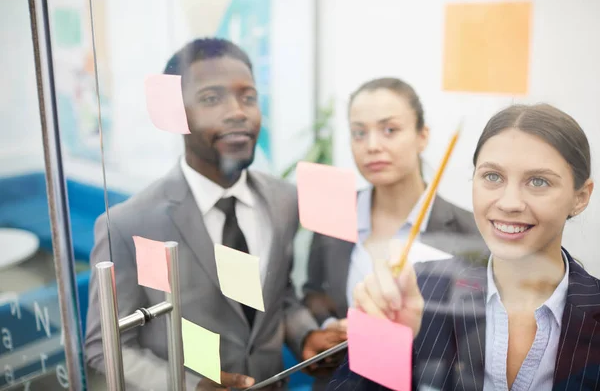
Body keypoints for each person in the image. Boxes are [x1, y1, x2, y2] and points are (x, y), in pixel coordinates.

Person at [85, 38, 345, 391]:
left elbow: (277, 297)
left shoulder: (283, 200)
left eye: (248, 97)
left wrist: (305, 336)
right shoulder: (129, 224)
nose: (238, 111)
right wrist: (189, 386)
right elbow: (106, 349)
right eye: (211, 98)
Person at [328, 103, 600, 390]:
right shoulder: (420, 289)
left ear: (580, 197)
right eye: (492, 176)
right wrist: (387, 346)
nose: (508, 203)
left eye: (538, 181)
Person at [301, 78, 486, 388]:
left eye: (389, 130)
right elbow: (313, 293)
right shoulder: (334, 215)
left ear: (422, 136)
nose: (372, 145)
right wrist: (331, 327)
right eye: (359, 132)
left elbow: (473, 343)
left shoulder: (470, 235)